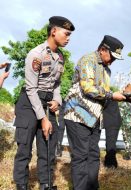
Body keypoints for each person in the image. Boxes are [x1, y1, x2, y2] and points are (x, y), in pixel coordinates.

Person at [13, 16, 75, 190]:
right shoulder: (36, 54)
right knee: (24, 150)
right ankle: (21, 185)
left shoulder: (60, 57)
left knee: (48, 147)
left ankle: (46, 184)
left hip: (48, 103)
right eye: (66, 34)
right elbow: (31, 89)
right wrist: (43, 118)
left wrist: (57, 99)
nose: (68, 38)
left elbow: (56, 83)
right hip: (29, 103)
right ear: (54, 31)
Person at [64, 35, 126, 190]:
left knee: (93, 155)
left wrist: (119, 95)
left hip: (94, 117)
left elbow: (103, 93)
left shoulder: (107, 70)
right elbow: (88, 88)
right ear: (103, 49)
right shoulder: (88, 60)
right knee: (81, 156)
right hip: (78, 114)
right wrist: (112, 95)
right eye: (112, 56)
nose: (113, 60)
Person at [103, 99, 122, 168]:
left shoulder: (108, 98)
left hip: (112, 122)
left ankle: (111, 163)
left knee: (110, 144)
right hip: (114, 122)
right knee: (111, 143)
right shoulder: (112, 97)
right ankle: (109, 161)